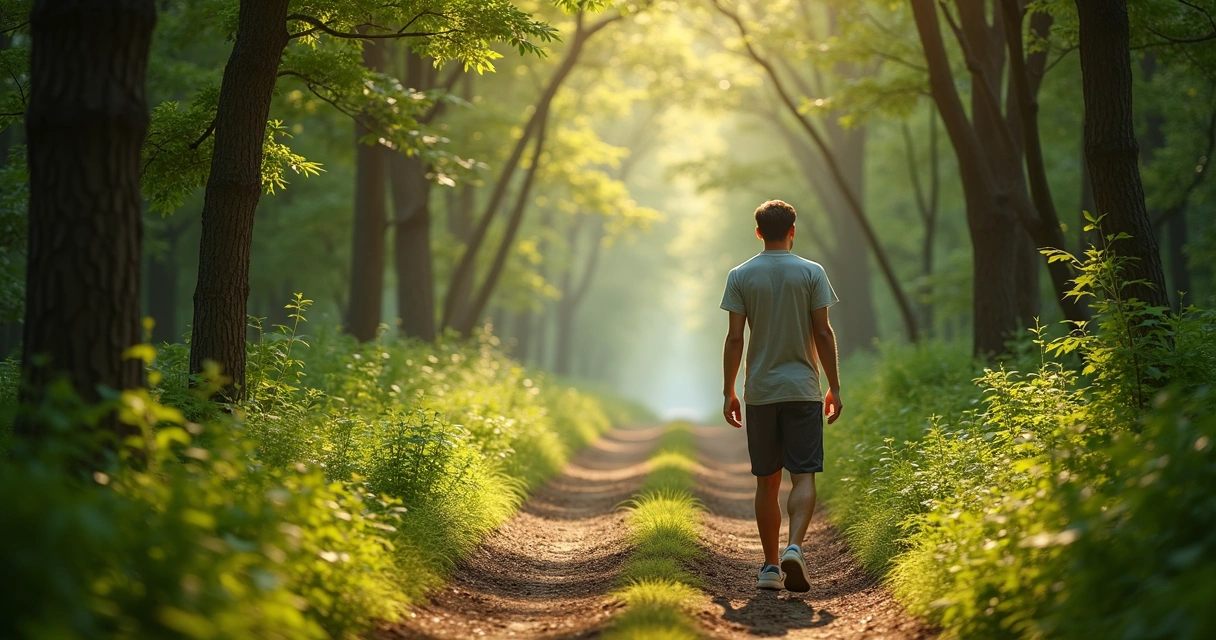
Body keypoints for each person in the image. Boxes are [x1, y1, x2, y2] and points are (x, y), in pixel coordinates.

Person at [719, 199, 843, 593]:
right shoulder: (811, 272)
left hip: (761, 392)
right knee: (802, 474)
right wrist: (834, 387)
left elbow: (735, 337)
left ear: (758, 232)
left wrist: (729, 391)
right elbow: (823, 333)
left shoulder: (740, 275)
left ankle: (771, 567)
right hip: (803, 390)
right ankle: (795, 547)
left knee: (766, 481)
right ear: (793, 230)